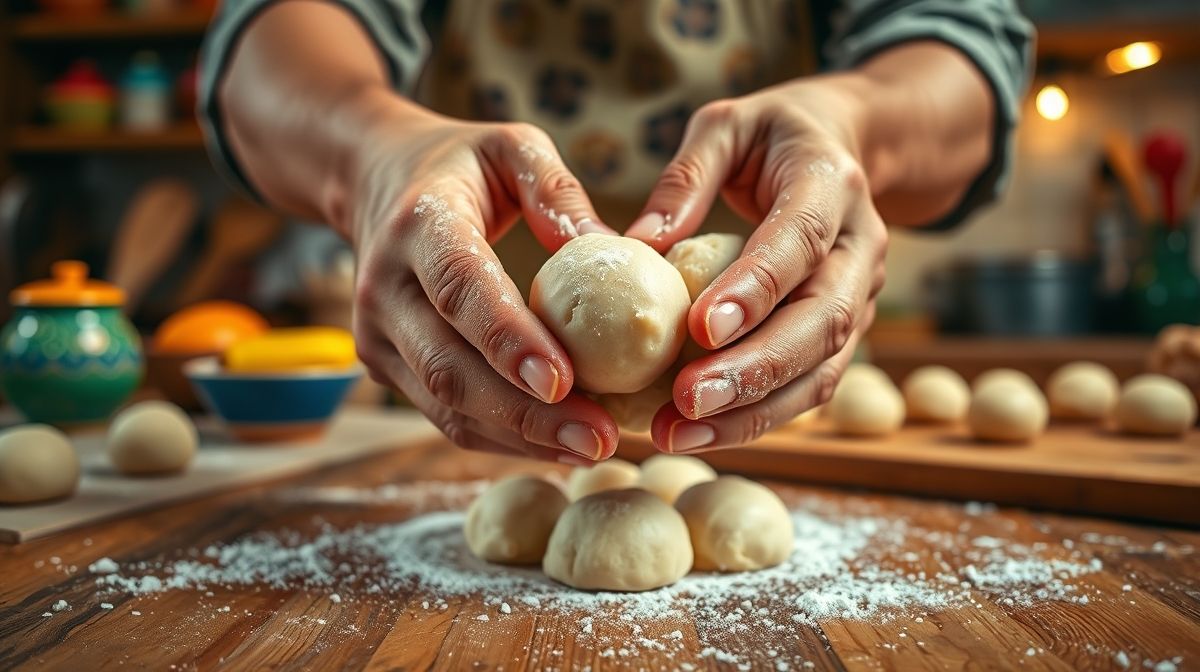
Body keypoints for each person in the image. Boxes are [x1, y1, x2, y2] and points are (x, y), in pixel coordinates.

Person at [199, 0, 1033, 463]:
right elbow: (259, 51)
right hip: (450, 408)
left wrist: (854, 124)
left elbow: (964, 41)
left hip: (793, 408)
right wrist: (371, 155)